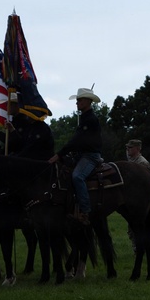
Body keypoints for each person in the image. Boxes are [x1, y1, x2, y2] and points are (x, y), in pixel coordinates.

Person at [47, 88, 103, 224]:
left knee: (77, 177)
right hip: (81, 155)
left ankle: (85, 211)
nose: (77, 103)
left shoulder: (90, 119)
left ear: (88, 101)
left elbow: (77, 140)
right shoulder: (84, 118)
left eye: (80, 100)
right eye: (77, 100)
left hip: (90, 156)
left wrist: (59, 154)